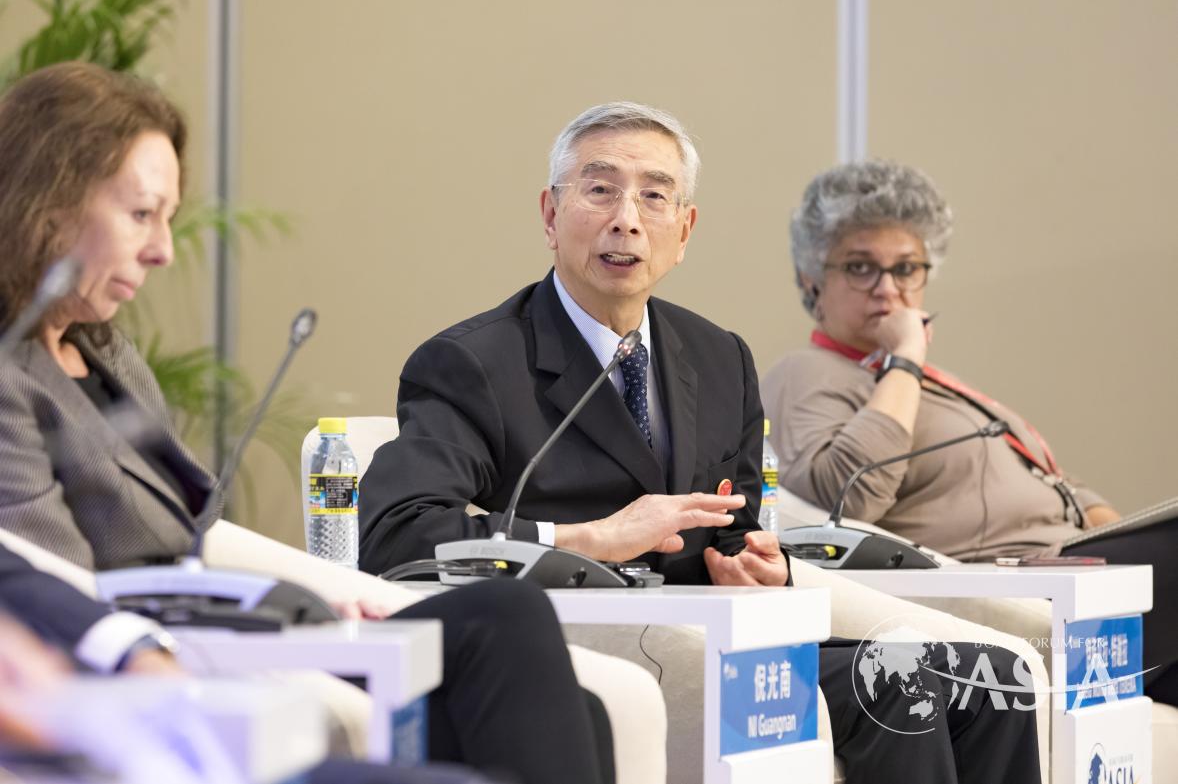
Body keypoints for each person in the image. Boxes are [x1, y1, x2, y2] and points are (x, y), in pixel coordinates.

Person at [358, 102, 1042, 783]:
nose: (626, 217)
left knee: (994, 687)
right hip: (588, 649)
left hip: (724, 639)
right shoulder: (474, 362)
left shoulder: (718, 358)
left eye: (654, 196)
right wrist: (590, 537)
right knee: (901, 689)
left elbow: (735, 526)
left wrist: (754, 562)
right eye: (599, 190)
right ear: (550, 215)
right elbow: (399, 532)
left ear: (683, 230)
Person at [0, 61, 615, 784]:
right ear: (49, 204)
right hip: (173, 647)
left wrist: (305, 594)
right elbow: (61, 583)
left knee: (518, 632)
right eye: (141, 215)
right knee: (526, 681)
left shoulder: (102, 347)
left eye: (168, 217)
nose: (164, 248)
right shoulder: (12, 373)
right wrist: (257, 612)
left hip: (232, 618)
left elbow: (194, 528)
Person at [761, 158, 1177, 706]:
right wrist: (907, 356)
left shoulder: (931, 384)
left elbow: (1060, 485)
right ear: (813, 283)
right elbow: (852, 496)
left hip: (1078, 566)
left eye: (907, 269)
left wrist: (1124, 537)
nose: (888, 290)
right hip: (1018, 584)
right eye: (861, 268)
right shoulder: (810, 372)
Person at [0, 540, 494, 784]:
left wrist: (293, 602)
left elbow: (195, 534)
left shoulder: (113, 370)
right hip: (108, 680)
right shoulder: (19, 383)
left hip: (125, 683)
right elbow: (64, 550)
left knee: (505, 613)